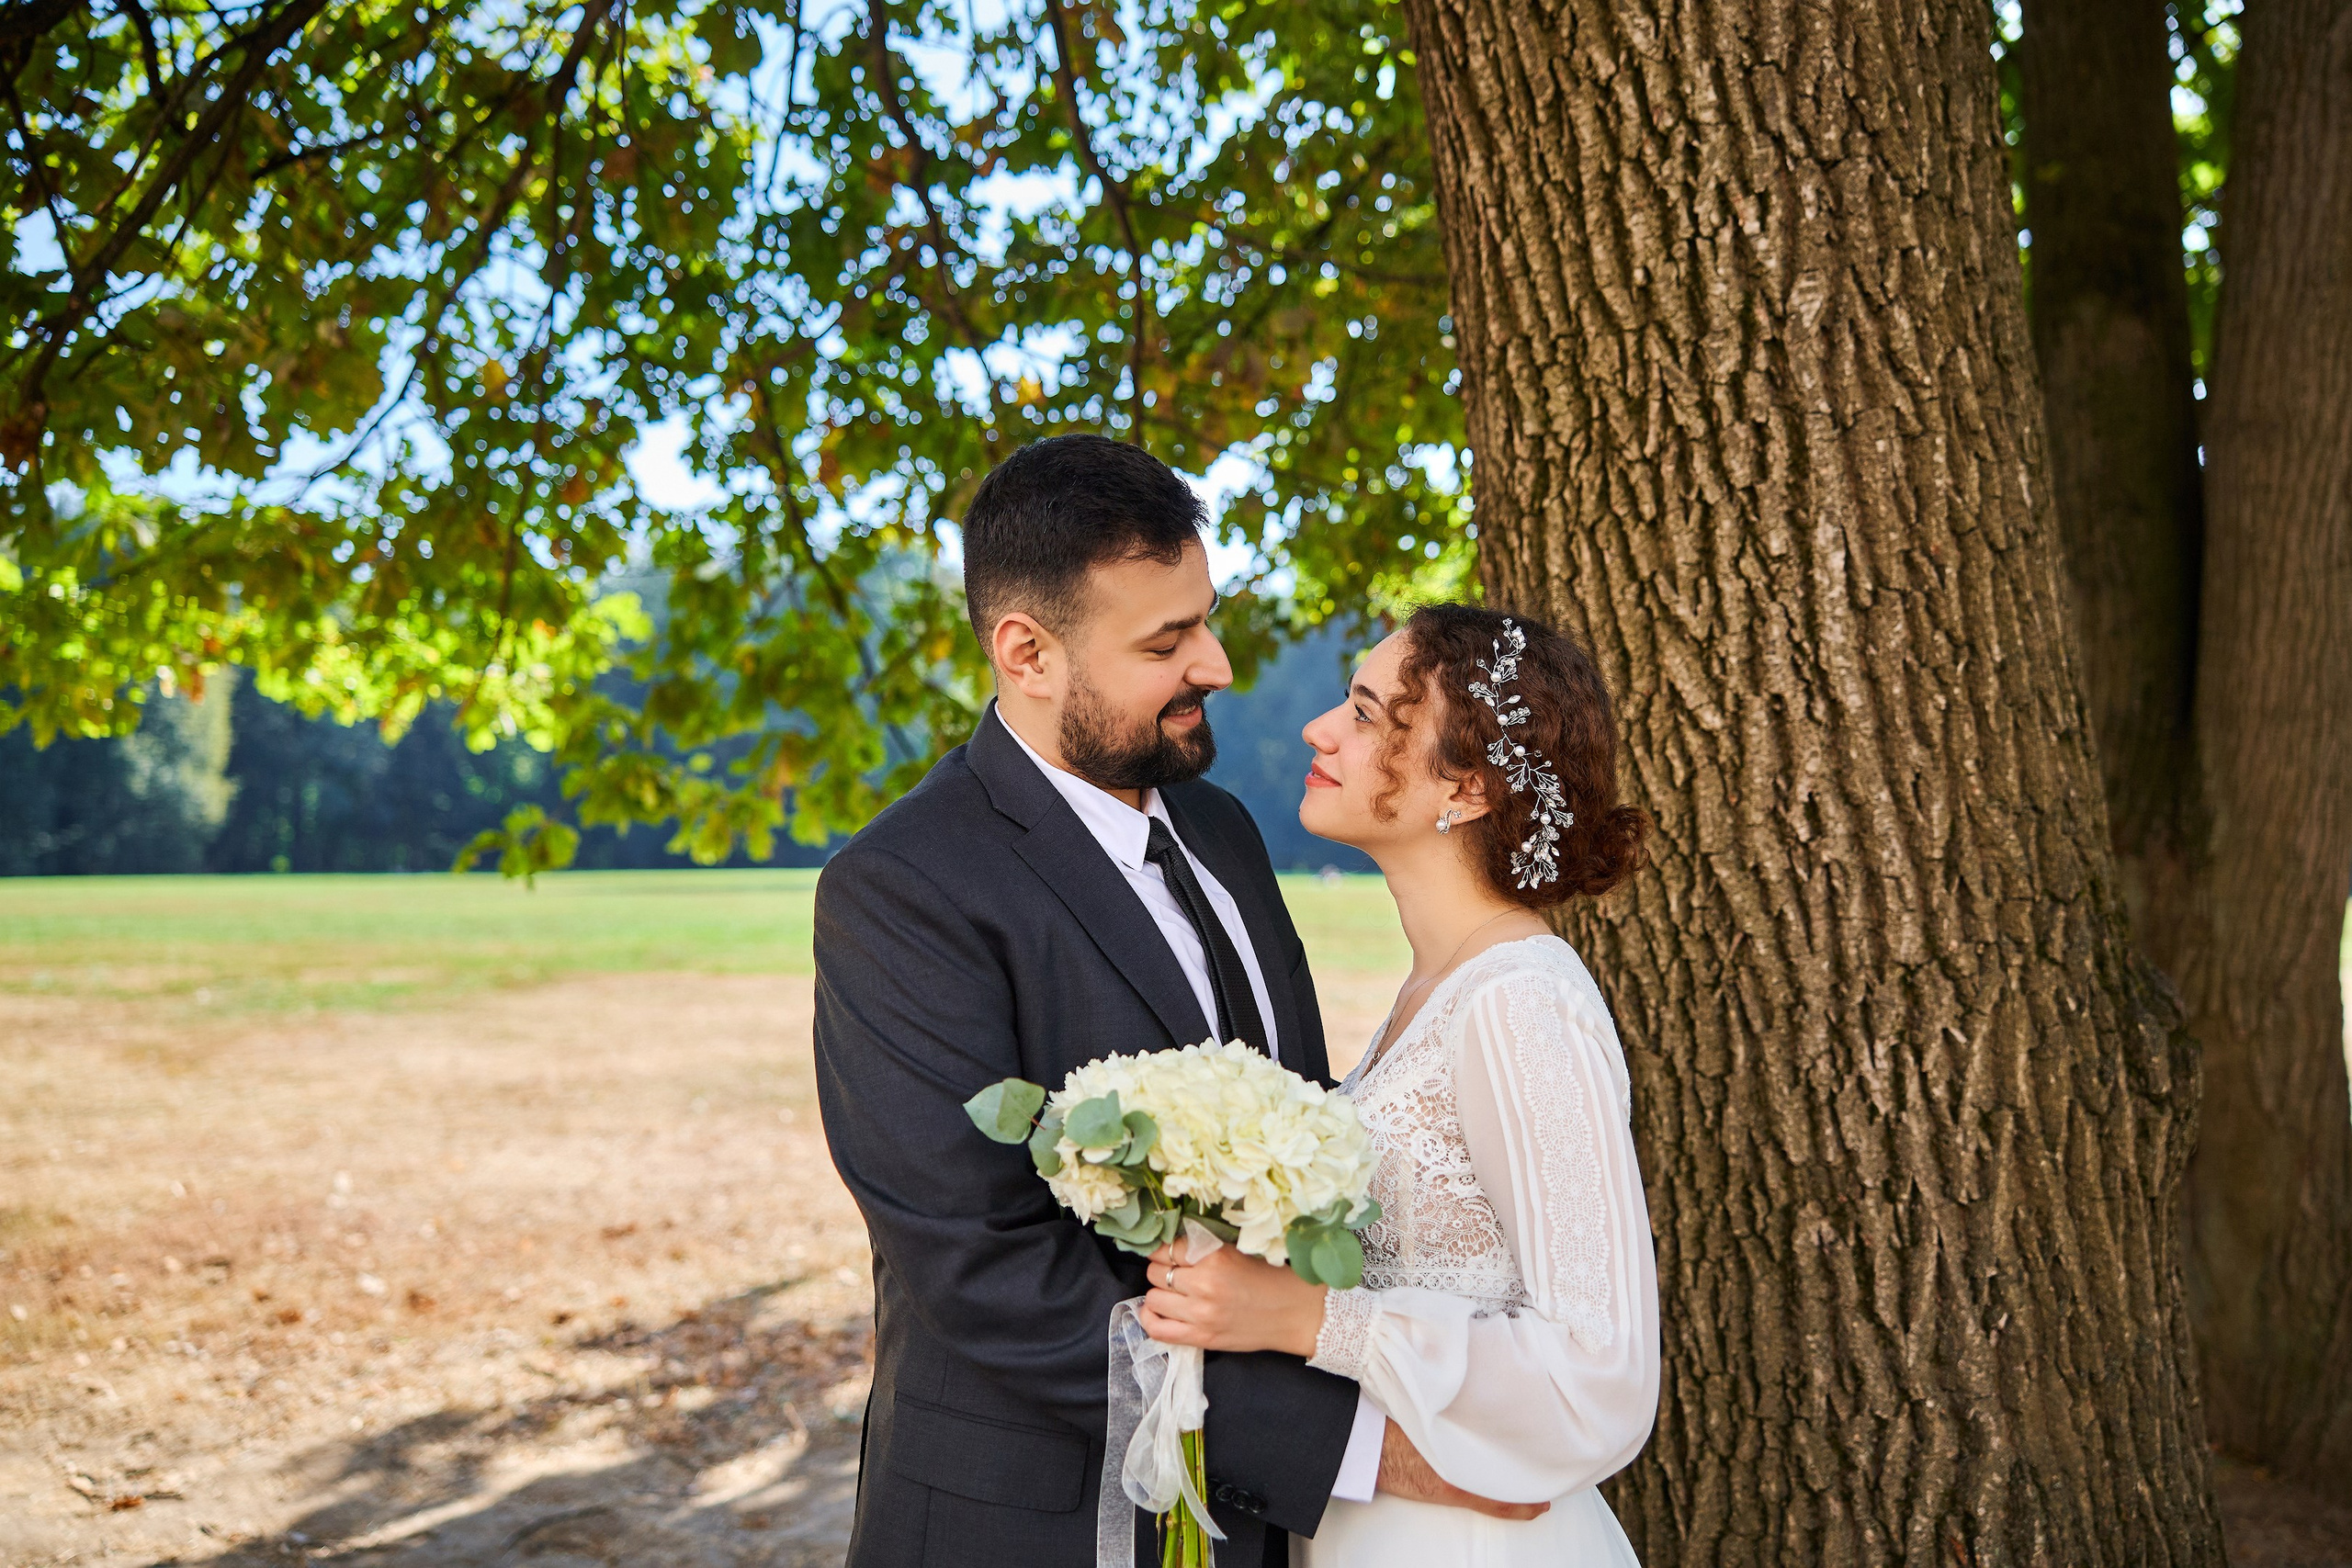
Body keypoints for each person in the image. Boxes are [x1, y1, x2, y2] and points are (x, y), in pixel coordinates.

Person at [811, 436, 1532, 1568]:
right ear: (1027, 653)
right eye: (1166, 641)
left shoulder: (1227, 831)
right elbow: (980, 1263)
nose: (1219, 664)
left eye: (1205, 617)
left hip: (1250, 1529)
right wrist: (1353, 1454)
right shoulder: (903, 887)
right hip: (1024, 1523)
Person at [1135, 603, 1660, 1566]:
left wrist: (1303, 1316)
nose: (1320, 729)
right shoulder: (1435, 988)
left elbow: (1603, 1373)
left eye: (1370, 716)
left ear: (1465, 787)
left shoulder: (1519, 1003)